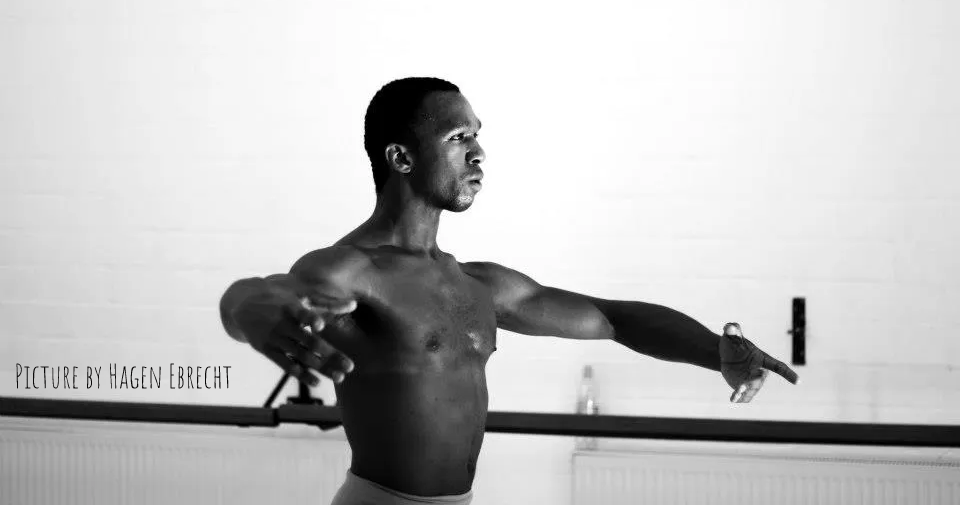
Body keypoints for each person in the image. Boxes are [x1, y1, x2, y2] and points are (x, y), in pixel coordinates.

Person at [219, 77, 799, 505]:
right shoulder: (355, 269)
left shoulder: (480, 283)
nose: (478, 152)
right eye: (457, 137)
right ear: (400, 157)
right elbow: (264, 294)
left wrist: (713, 352)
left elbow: (612, 318)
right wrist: (250, 309)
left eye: (477, 136)